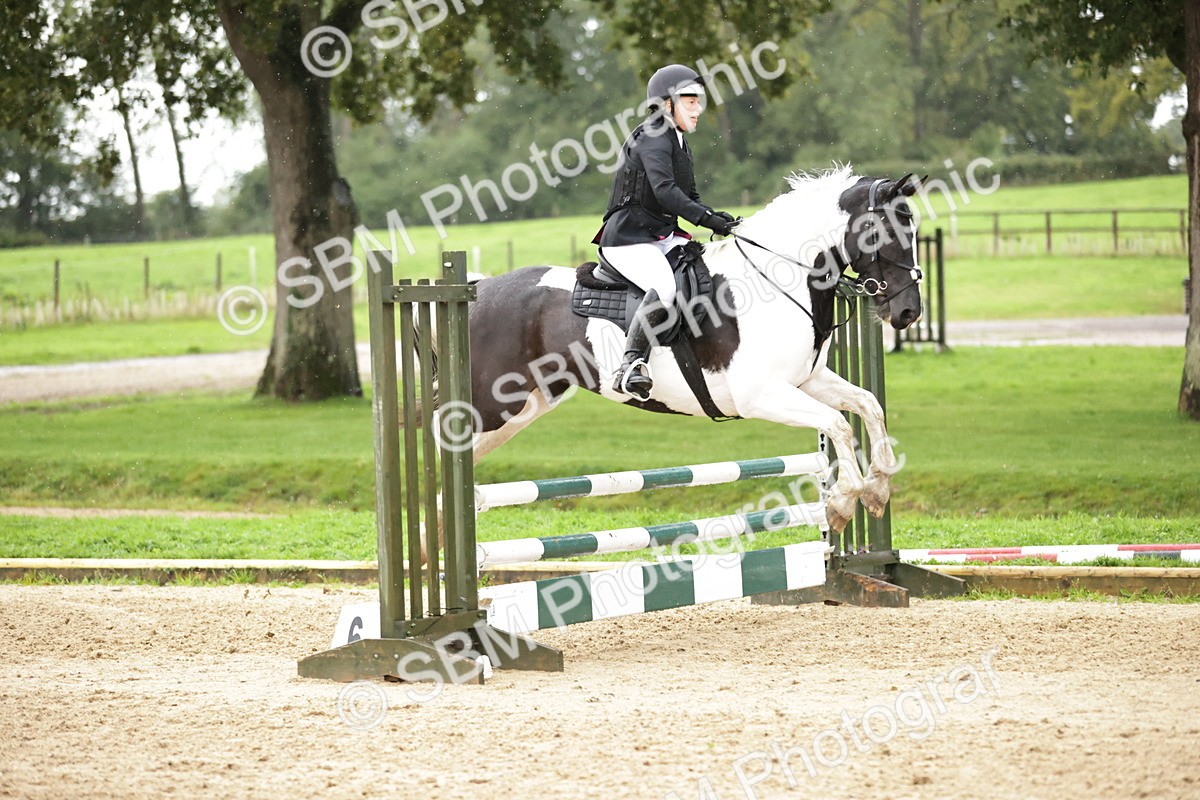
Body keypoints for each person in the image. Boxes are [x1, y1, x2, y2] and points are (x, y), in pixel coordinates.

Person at [592, 64, 739, 401]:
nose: (698, 109)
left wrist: (719, 219)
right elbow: (666, 193)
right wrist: (706, 219)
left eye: (698, 102)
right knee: (664, 287)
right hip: (629, 238)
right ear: (667, 103)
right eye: (690, 102)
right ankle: (630, 366)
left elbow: (689, 196)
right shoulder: (654, 136)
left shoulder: (677, 139)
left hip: (659, 235)